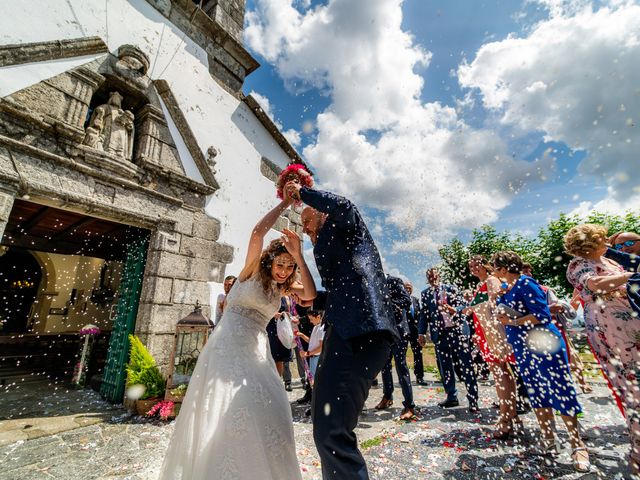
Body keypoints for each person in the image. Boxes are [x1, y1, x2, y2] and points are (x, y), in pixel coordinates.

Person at [159, 197, 316, 480]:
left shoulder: (285, 287)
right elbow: (257, 233)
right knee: (224, 405)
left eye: (289, 267)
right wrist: (284, 204)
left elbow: (311, 295)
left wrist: (300, 256)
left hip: (257, 349)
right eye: (280, 265)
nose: (283, 272)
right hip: (229, 344)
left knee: (273, 403)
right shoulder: (252, 272)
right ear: (270, 261)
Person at [287, 180, 398, 480]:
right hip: (346, 331)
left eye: (309, 223)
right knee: (326, 427)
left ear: (323, 215)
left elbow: (343, 204)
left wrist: (301, 192)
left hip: (361, 332)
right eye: (305, 229)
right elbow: (339, 291)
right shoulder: (332, 247)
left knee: (332, 431)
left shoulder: (345, 224)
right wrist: (313, 297)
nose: (308, 231)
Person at [492, 250, 589, 473]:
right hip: (524, 349)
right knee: (537, 393)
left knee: (561, 391)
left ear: (504, 269)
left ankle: (577, 445)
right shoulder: (508, 288)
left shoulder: (527, 283)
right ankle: (548, 439)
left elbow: (542, 315)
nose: (495, 274)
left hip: (544, 345)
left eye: (496, 269)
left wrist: (512, 322)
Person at [565, 224, 639, 474]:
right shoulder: (579, 264)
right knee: (633, 388)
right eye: (602, 238)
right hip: (611, 329)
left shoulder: (611, 262)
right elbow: (594, 285)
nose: (608, 241)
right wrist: (629, 277)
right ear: (591, 242)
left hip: (631, 325)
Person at [463, 255, 520, 438]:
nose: (473, 269)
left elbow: (495, 302)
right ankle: (511, 414)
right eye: (471, 266)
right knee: (502, 372)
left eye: (476, 265)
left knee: (500, 372)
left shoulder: (492, 279)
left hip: (494, 332)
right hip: (485, 332)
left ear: (486, 265)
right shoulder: (482, 283)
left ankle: (505, 418)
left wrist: (472, 307)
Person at [419, 268, 479, 412]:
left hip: (457, 331)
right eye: (430, 276)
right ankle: (451, 397)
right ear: (428, 278)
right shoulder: (425, 294)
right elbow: (424, 315)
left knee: (466, 365)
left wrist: (454, 309)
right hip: (440, 335)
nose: (433, 278)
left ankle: (473, 400)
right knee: (445, 367)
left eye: (435, 275)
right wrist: (421, 333)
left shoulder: (452, 288)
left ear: (439, 275)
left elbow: (464, 305)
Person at [376, 275, 415, 420]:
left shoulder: (393, 280)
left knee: (401, 366)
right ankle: (387, 396)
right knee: (384, 366)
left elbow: (406, 300)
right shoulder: (372, 284)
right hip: (384, 332)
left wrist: (386, 302)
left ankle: (409, 405)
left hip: (399, 331)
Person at [266, 296, 296, 391]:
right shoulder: (268, 296)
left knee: (280, 358)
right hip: (270, 328)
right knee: (272, 357)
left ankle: (279, 382)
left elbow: (287, 310)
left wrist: (286, 315)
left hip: (281, 329)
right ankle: (273, 382)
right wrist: (274, 315)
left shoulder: (284, 298)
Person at [404, 281, 426, 385]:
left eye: (409, 288)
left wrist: (421, 332)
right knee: (401, 355)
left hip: (415, 332)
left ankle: (419, 377)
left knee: (418, 354)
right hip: (403, 331)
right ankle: (403, 378)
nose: (408, 289)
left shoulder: (415, 300)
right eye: (406, 288)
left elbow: (420, 316)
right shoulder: (400, 299)